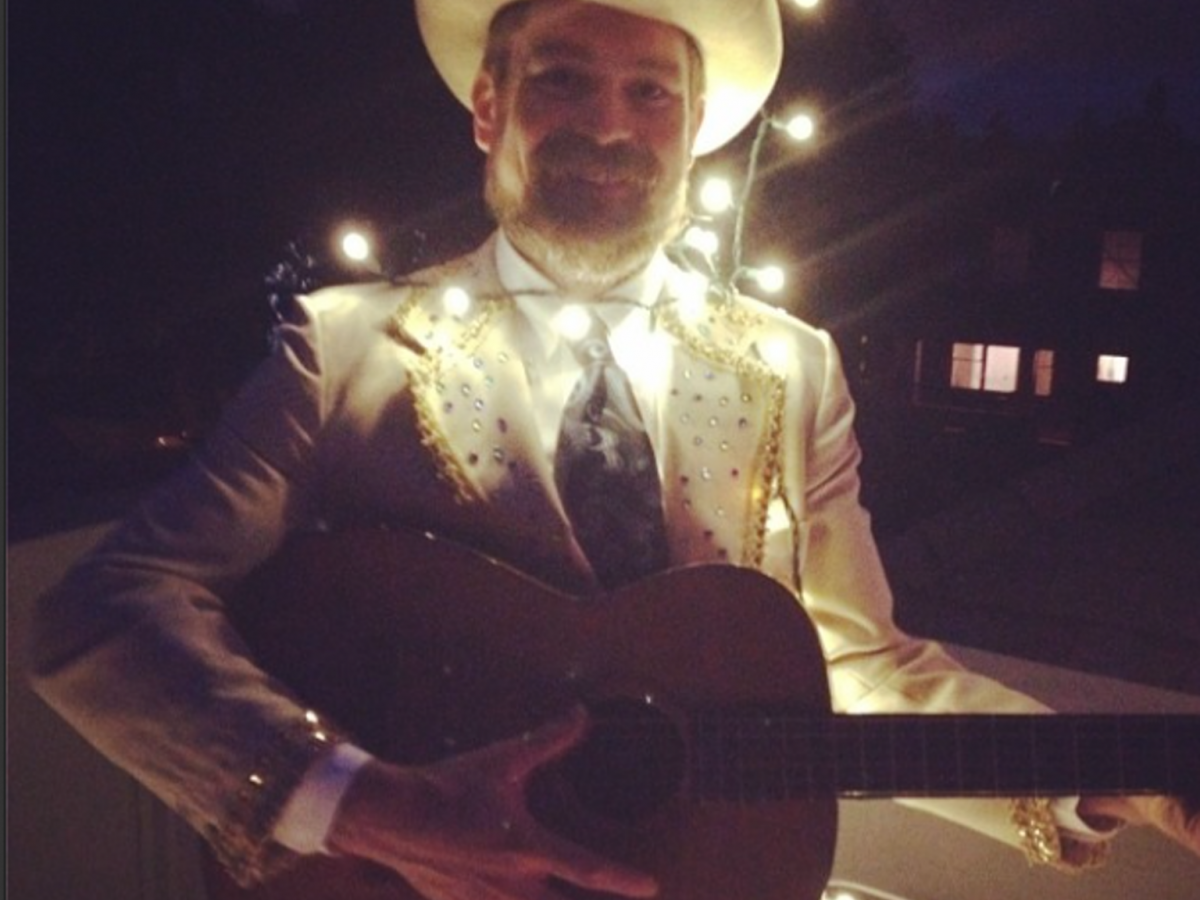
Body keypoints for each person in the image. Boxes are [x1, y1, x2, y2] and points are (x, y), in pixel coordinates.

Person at [29, 1, 1198, 898]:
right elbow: (105, 609)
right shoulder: (344, 348)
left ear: (695, 131)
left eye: (651, 92)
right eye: (562, 79)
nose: (607, 126)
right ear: (488, 107)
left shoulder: (791, 368)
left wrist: (1108, 775)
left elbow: (856, 667)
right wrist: (359, 803)